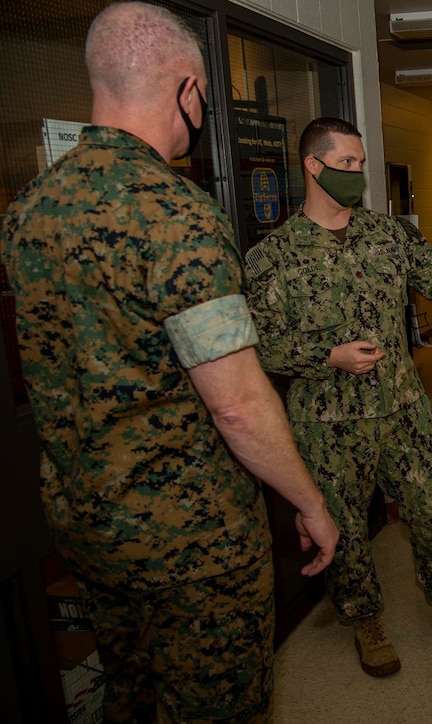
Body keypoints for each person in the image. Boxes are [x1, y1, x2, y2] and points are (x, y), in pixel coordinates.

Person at [1, 4, 339, 720]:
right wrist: (310, 503)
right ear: (188, 90)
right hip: (191, 543)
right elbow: (237, 402)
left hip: (87, 528)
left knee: (132, 691)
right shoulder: (174, 214)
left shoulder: (29, 209)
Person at [244, 117, 432, 678]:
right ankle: (365, 621)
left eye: (362, 164)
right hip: (326, 422)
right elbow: (261, 347)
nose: (358, 174)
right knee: (345, 527)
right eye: (348, 164)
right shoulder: (274, 257)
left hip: (402, 408)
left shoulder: (389, 235)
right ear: (314, 166)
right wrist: (327, 356)